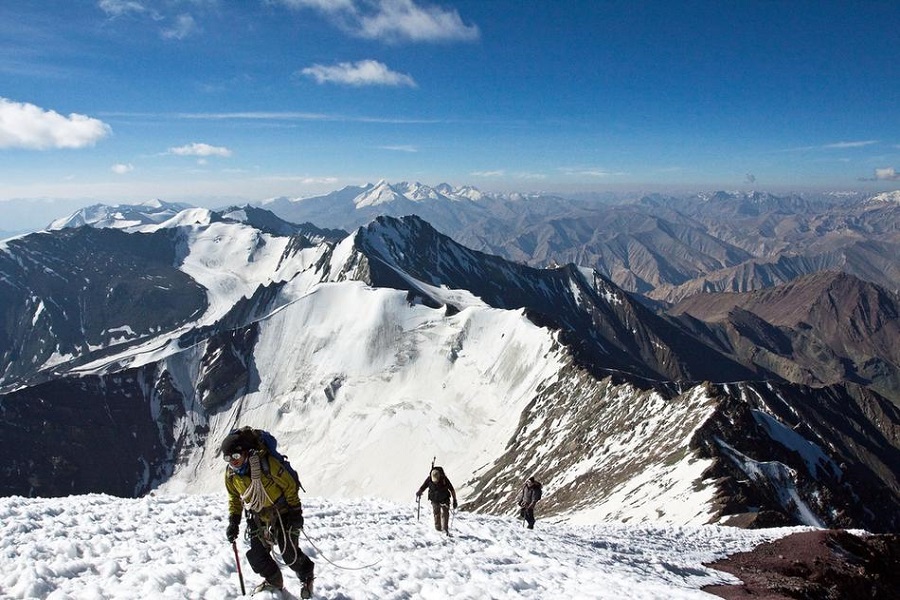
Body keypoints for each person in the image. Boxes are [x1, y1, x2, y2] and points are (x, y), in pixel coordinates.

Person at [222, 428, 315, 599]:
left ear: (245, 452)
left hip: (283, 512)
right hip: (257, 516)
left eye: (235, 456)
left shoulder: (266, 464)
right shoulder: (231, 476)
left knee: (289, 554)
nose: (233, 462)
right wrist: (233, 521)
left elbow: (289, 486)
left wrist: (296, 513)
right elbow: (235, 498)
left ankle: (306, 574)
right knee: (257, 557)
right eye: (228, 458)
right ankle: (274, 581)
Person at [416, 466, 458, 535]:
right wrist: (419, 492)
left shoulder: (444, 479)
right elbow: (423, 486)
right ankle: (438, 530)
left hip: (445, 499)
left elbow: (452, 489)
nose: (435, 482)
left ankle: (445, 530)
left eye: (436, 480)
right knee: (436, 513)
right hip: (434, 499)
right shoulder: (429, 479)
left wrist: (455, 500)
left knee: (445, 514)